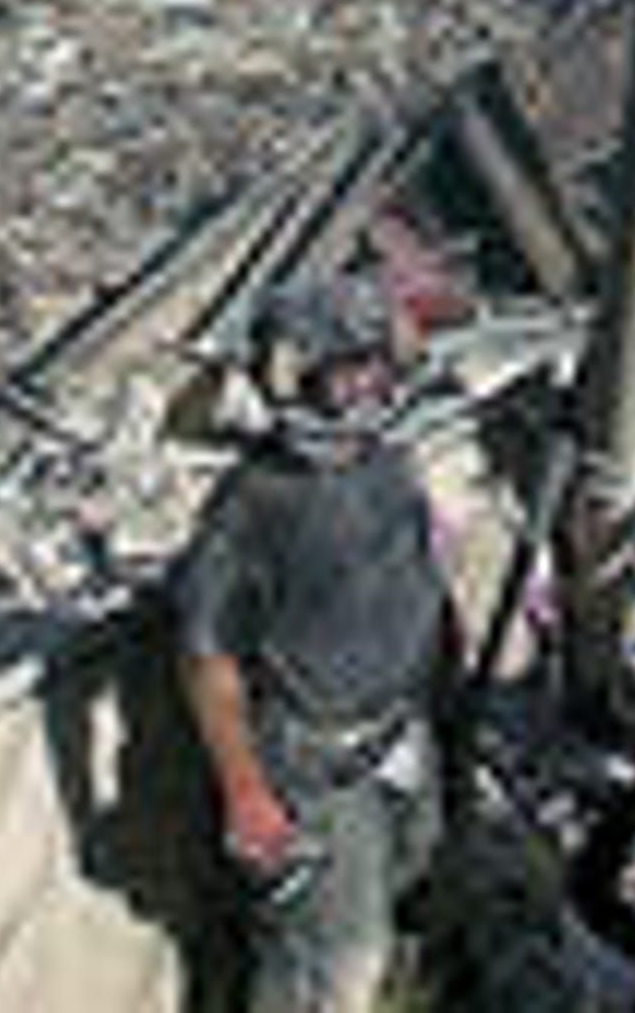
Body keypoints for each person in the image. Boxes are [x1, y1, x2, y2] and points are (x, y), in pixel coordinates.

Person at [175, 272, 453, 1013]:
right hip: (312, 763)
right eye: (344, 367)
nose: (366, 384)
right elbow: (207, 659)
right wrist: (245, 792)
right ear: (295, 376)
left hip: (399, 736)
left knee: (400, 898)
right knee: (333, 968)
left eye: (373, 362)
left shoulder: (389, 463)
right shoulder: (255, 500)